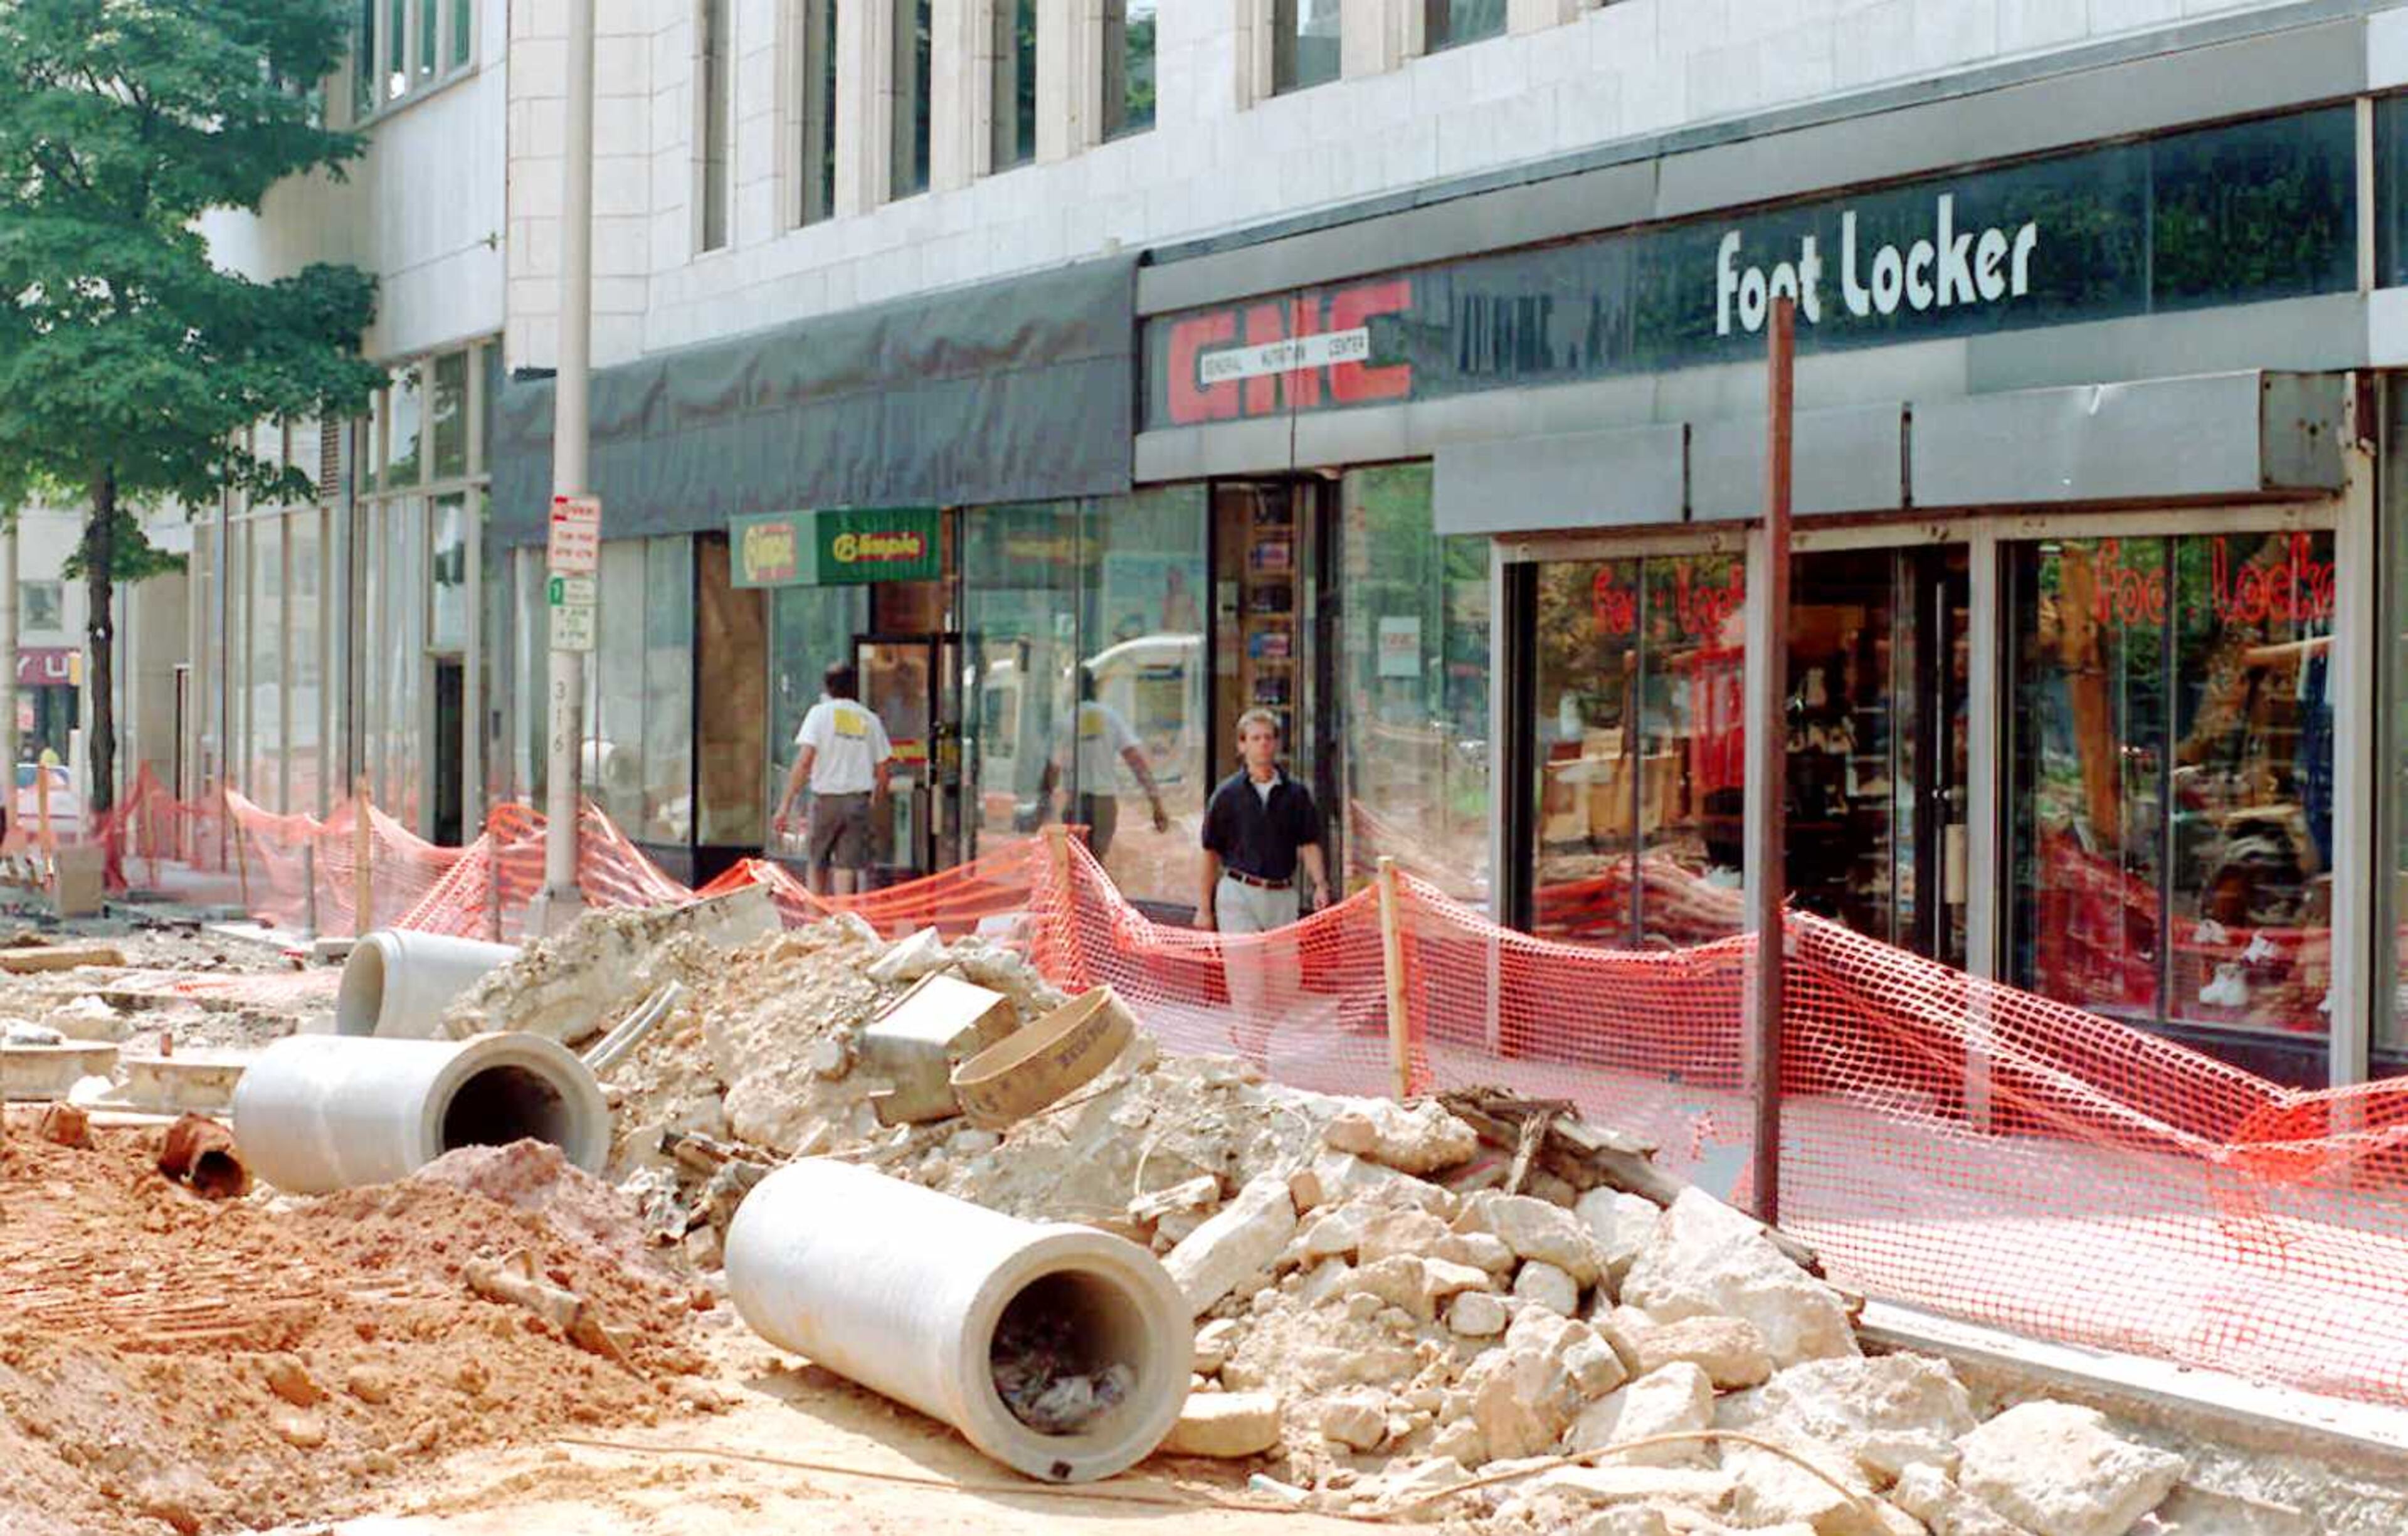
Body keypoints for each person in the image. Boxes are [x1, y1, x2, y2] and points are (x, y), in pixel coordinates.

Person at [1196, 708, 1328, 934]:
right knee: (1245, 968)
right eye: (1255, 738)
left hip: (1282, 894)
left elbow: (1309, 843)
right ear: (1242, 745)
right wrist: (1204, 907)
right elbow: (1211, 852)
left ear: (1277, 743)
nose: (1263, 744)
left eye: (1268, 737)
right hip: (1239, 892)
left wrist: (1320, 884)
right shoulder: (1227, 795)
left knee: (1284, 968)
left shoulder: (1296, 794)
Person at [773, 662, 893, 896]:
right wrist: (874, 803)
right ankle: (842, 921)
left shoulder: (819, 714)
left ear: (828, 687)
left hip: (825, 800)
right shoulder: (869, 719)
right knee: (846, 869)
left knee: (817, 863)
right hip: (857, 801)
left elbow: (804, 762)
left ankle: (815, 920)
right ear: (856, 687)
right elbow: (883, 771)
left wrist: (785, 806)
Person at [1039, 695, 1170, 859]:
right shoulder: (1111, 718)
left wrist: (1042, 805)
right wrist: (1156, 804)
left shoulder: (1066, 721)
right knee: (1096, 862)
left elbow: (1053, 768)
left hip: (1076, 802)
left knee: (1076, 864)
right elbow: (1136, 762)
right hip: (1104, 803)